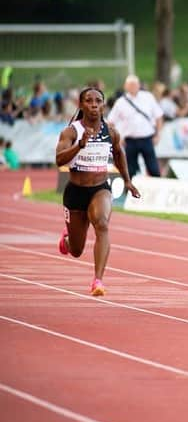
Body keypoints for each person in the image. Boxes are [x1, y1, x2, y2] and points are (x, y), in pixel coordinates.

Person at [55, 86, 140, 296]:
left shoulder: (110, 131)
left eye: (98, 101)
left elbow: (119, 155)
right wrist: (79, 146)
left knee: (102, 224)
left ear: (103, 105)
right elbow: (59, 160)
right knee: (76, 250)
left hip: (100, 189)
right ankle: (67, 239)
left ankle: (98, 281)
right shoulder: (71, 131)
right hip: (75, 192)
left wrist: (127, 181)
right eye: (89, 101)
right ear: (81, 105)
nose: (94, 105)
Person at [106, 74, 164, 177]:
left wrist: (158, 134)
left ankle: (159, 189)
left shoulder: (148, 97)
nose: (133, 87)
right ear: (126, 86)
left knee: (153, 168)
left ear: (138, 85)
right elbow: (110, 122)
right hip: (130, 141)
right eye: (130, 85)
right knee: (130, 170)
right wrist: (117, 138)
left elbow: (159, 116)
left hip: (147, 139)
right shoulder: (121, 102)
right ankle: (130, 190)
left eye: (134, 84)